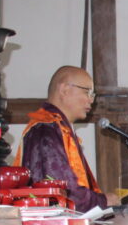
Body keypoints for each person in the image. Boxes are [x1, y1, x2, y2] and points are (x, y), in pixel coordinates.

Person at [15, 66, 121, 212]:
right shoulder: (46, 129)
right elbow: (63, 191)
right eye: (87, 92)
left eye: (93, 95)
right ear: (64, 89)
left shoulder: (59, 128)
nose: (91, 100)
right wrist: (103, 201)